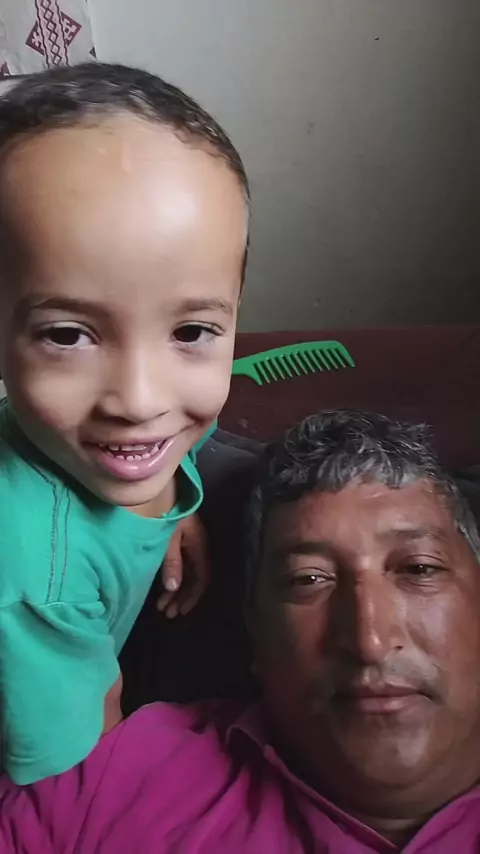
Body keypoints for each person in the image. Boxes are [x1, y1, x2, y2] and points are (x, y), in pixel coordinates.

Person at [1, 409, 480, 852]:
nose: (369, 642)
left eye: (419, 569)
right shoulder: (114, 781)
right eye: (308, 579)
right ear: (256, 630)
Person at [0, 62, 249, 783]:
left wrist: (172, 503)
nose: (140, 401)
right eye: (68, 335)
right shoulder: (31, 579)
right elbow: (68, 782)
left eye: (191, 332)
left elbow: (179, 439)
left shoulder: (149, 433)